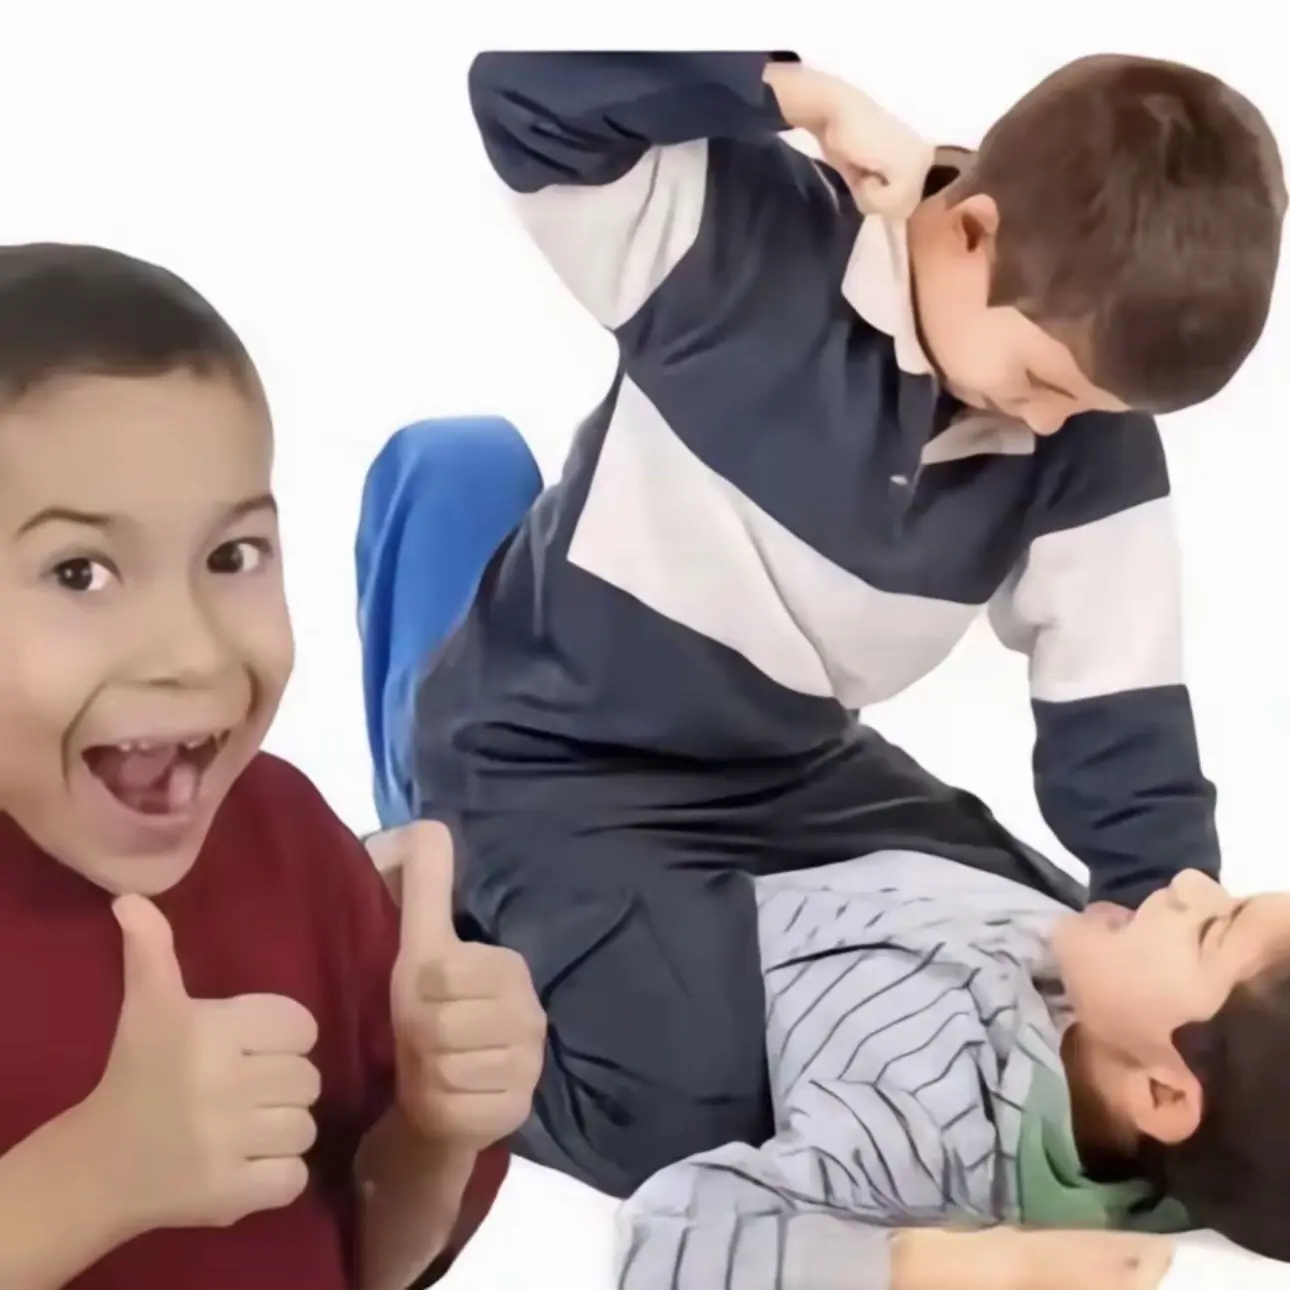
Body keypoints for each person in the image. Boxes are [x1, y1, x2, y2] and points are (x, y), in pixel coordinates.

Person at [355, 52, 1286, 1199]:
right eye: (1044, 382)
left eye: (1094, 407)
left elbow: (1124, 729)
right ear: (972, 233)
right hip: (554, 749)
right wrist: (793, 94)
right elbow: (524, 100)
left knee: (1048, 935)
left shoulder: (1086, 438)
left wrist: (1211, 1080)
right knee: (683, 1093)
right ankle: (420, 859)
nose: (1055, 426)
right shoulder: (747, 247)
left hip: (785, 768)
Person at [0, 245, 546, 1290]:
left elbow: (376, 1258)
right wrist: (94, 1177)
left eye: (232, 556)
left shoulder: (289, 838)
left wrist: (436, 1127)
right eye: (79, 572)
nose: (193, 652)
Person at [614, 859, 1290, 1287]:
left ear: (1162, 1092)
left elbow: (673, 1237)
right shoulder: (1100, 991)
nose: (1193, 881)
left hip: (650, 915)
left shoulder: (931, 1125)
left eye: (1211, 930)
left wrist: (954, 1267)